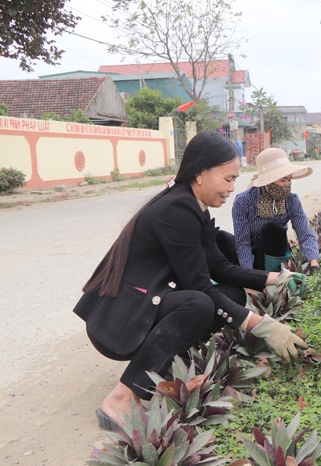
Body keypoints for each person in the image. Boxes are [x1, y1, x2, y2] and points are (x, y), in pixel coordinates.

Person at [73, 132, 308, 431]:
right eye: (227, 179)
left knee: (231, 294)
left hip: (146, 306)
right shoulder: (176, 209)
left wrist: (277, 278)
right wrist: (259, 324)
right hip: (121, 321)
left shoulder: (191, 206)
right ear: (201, 172)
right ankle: (120, 399)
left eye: (235, 180)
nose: (232, 188)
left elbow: (219, 268)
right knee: (198, 304)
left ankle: (162, 377)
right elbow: (199, 287)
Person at [216, 148, 321, 273]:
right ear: (269, 180)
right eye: (283, 180)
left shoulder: (292, 200)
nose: (287, 184)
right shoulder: (244, 201)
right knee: (221, 237)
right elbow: (243, 243)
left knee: (274, 228)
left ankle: (275, 275)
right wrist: (250, 276)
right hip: (251, 256)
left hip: (275, 254)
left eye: (289, 179)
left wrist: (314, 263)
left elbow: (305, 234)